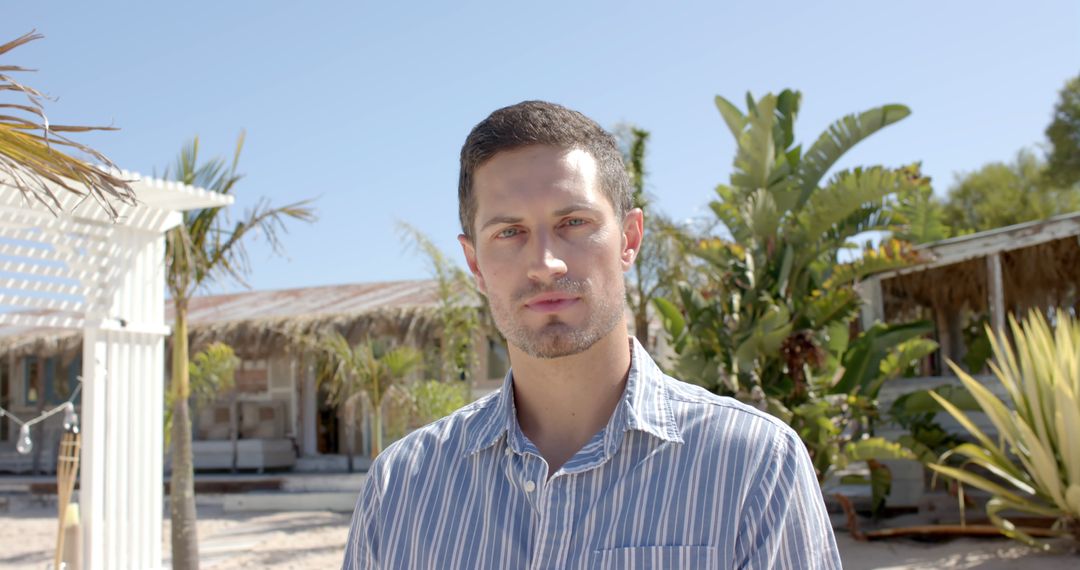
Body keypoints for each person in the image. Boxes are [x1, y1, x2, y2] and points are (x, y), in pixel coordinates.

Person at [342, 100, 842, 569]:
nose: (545, 264)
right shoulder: (401, 487)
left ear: (628, 239)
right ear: (474, 261)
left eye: (574, 222)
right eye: (509, 232)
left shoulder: (755, 466)